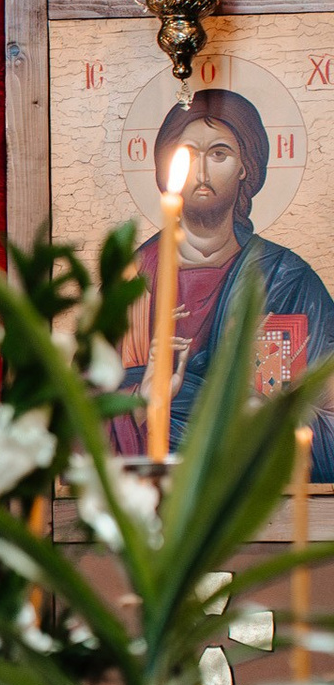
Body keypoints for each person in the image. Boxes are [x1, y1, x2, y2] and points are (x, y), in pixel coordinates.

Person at [113, 88, 334, 477]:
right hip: (152, 493)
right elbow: (81, 412)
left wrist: (268, 414)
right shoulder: (135, 281)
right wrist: (147, 397)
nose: (201, 173)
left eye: (219, 154)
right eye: (187, 155)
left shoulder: (288, 278)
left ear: (245, 166)